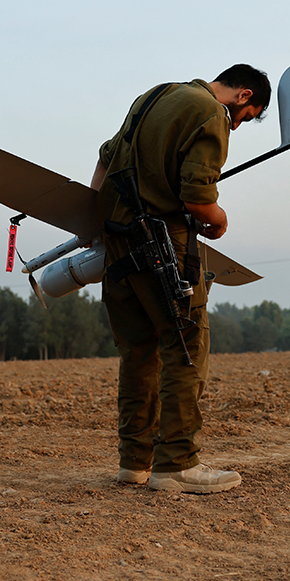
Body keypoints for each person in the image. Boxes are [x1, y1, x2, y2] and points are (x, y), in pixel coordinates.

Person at [90, 64, 270, 494]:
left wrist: (96, 224)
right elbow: (196, 196)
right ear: (243, 96)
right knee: (186, 346)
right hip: (162, 242)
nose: (236, 125)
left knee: (137, 350)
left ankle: (134, 463)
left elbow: (104, 157)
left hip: (116, 241)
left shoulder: (155, 94)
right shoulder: (210, 113)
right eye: (244, 118)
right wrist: (219, 221)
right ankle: (177, 464)